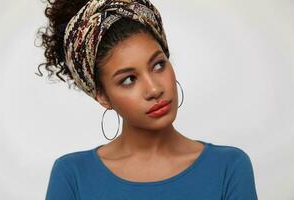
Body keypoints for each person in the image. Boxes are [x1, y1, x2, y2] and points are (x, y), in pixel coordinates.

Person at [36, 0, 258, 199]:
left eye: (158, 65)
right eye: (129, 79)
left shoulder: (228, 168)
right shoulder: (72, 175)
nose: (154, 89)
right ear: (103, 97)